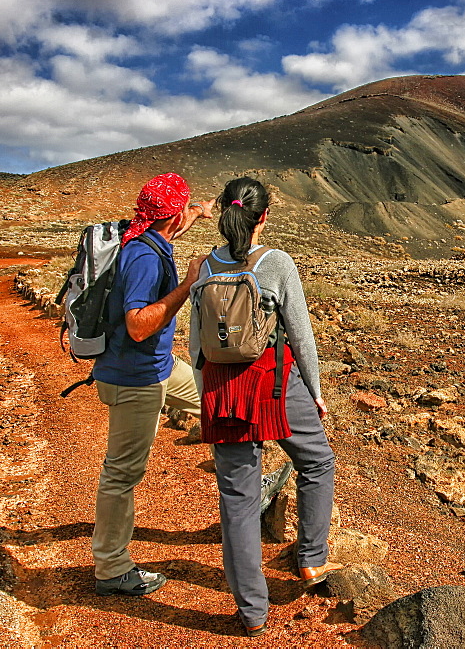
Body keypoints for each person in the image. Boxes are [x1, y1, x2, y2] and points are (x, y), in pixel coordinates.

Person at [189, 177, 339, 637]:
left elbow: (196, 340)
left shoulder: (205, 266)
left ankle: (252, 613)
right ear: (264, 217)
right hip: (274, 382)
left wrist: (204, 392)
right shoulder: (275, 262)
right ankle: (311, 561)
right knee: (317, 461)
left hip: (222, 389)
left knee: (237, 497)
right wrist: (313, 390)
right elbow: (301, 334)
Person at [91, 172, 213, 596]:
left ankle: (250, 484)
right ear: (172, 216)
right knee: (122, 473)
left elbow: (179, 216)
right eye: (186, 209)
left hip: (158, 366)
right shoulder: (143, 256)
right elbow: (139, 325)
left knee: (214, 401)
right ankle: (111, 567)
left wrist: (201, 210)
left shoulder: (143, 231)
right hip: (135, 377)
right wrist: (188, 285)